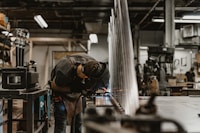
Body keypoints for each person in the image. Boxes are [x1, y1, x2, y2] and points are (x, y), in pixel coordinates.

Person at [49, 53, 110, 133]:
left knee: (78, 121)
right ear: (86, 77)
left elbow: (100, 81)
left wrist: (96, 88)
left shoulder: (93, 65)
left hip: (76, 92)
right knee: (61, 121)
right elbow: (54, 86)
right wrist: (76, 88)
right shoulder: (64, 72)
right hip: (61, 91)